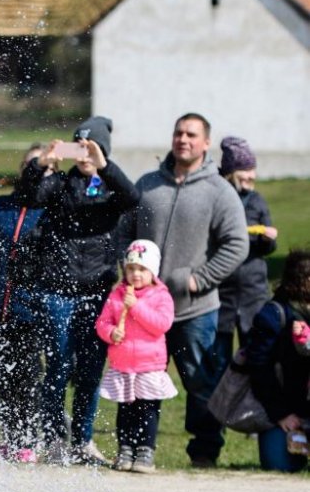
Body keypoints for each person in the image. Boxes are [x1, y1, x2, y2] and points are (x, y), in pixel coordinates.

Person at [128, 113, 248, 468]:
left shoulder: (219, 191)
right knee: (143, 380)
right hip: (146, 310)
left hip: (194, 309)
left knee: (199, 382)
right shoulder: (148, 185)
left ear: (206, 143)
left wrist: (199, 279)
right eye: (179, 133)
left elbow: (237, 244)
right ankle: (138, 448)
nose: (183, 139)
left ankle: (205, 451)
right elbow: (126, 229)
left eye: (192, 135)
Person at [17, 117, 139, 465]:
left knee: (89, 370)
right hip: (57, 291)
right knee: (57, 366)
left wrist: (105, 167)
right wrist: (40, 166)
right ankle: (55, 438)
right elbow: (28, 196)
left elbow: (133, 198)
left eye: (92, 147)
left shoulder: (111, 188)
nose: (84, 154)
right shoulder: (60, 183)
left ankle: (83, 441)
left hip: (97, 291)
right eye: (79, 146)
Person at [0, 144, 48, 462]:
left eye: (41, 166)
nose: (33, 170)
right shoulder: (1, 206)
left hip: (31, 309)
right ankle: (8, 438)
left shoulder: (51, 209)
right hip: (0, 306)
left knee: (26, 377)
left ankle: (27, 439)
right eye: (29, 163)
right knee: (2, 376)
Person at [96, 240, 177, 473]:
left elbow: (161, 324)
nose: (136, 274)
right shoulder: (116, 295)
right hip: (123, 365)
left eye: (142, 269)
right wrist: (112, 332)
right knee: (125, 411)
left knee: (147, 410)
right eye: (131, 269)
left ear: (152, 272)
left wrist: (136, 307)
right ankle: (125, 448)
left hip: (149, 365)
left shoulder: (161, 296)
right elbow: (102, 322)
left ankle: (145, 450)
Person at [214, 136, 277, 361]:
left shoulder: (258, 201)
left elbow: (269, 247)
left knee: (257, 356)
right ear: (230, 172)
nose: (251, 176)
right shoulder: (218, 196)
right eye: (245, 170)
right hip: (222, 294)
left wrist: (268, 240)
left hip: (254, 292)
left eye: (253, 170)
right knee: (218, 360)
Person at [248, 249, 310, 473]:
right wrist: (281, 413)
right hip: (285, 408)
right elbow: (259, 367)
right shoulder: (273, 315)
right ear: (301, 281)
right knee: (279, 465)